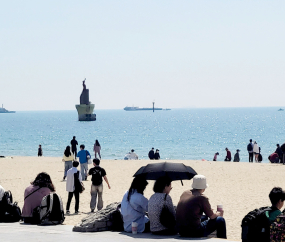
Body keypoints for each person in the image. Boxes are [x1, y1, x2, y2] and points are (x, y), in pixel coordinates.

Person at [176, 174, 227, 239]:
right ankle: (223, 240)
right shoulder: (202, 198)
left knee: (205, 217)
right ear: (204, 188)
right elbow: (212, 216)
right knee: (220, 220)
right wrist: (219, 213)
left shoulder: (185, 193)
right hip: (194, 232)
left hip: (181, 230)